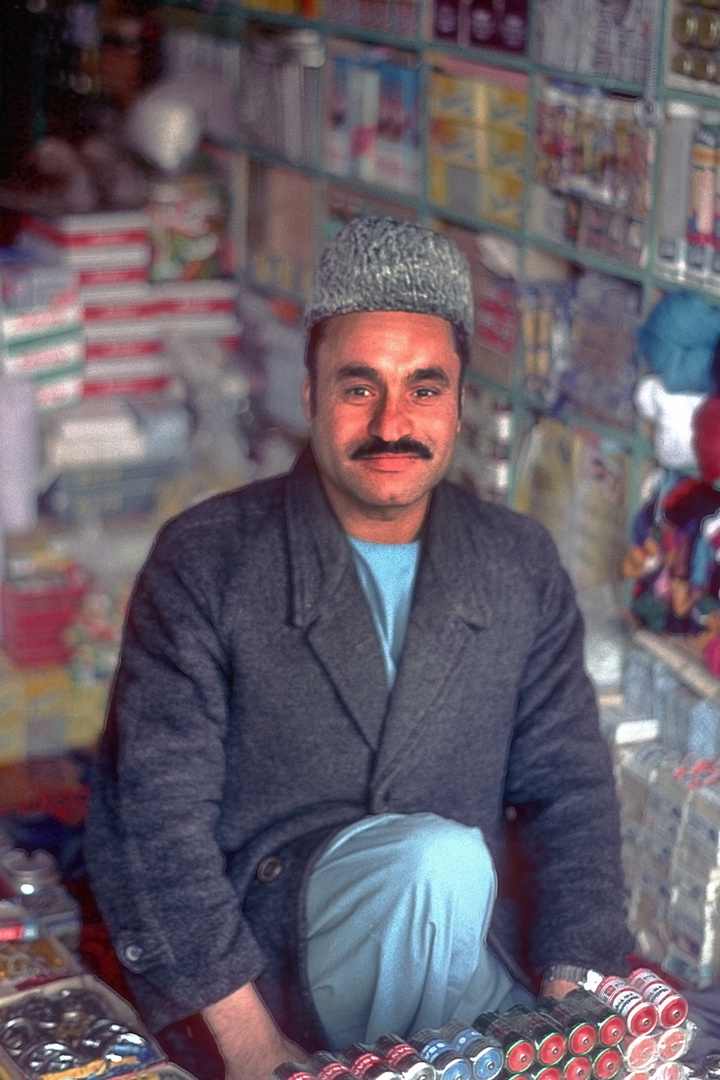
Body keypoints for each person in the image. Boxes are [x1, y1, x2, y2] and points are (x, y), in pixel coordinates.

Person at [84, 217, 631, 1080]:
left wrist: (571, 1001)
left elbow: (571, 794)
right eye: (358, 387)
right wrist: (253, 1046)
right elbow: (151, 823)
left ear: (459, 405)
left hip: (466, 949)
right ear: (307, 396)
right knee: (435, 859)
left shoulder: (518, 562)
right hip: (273, 968)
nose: (391, 423)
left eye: (423, 388)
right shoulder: (210, 557)